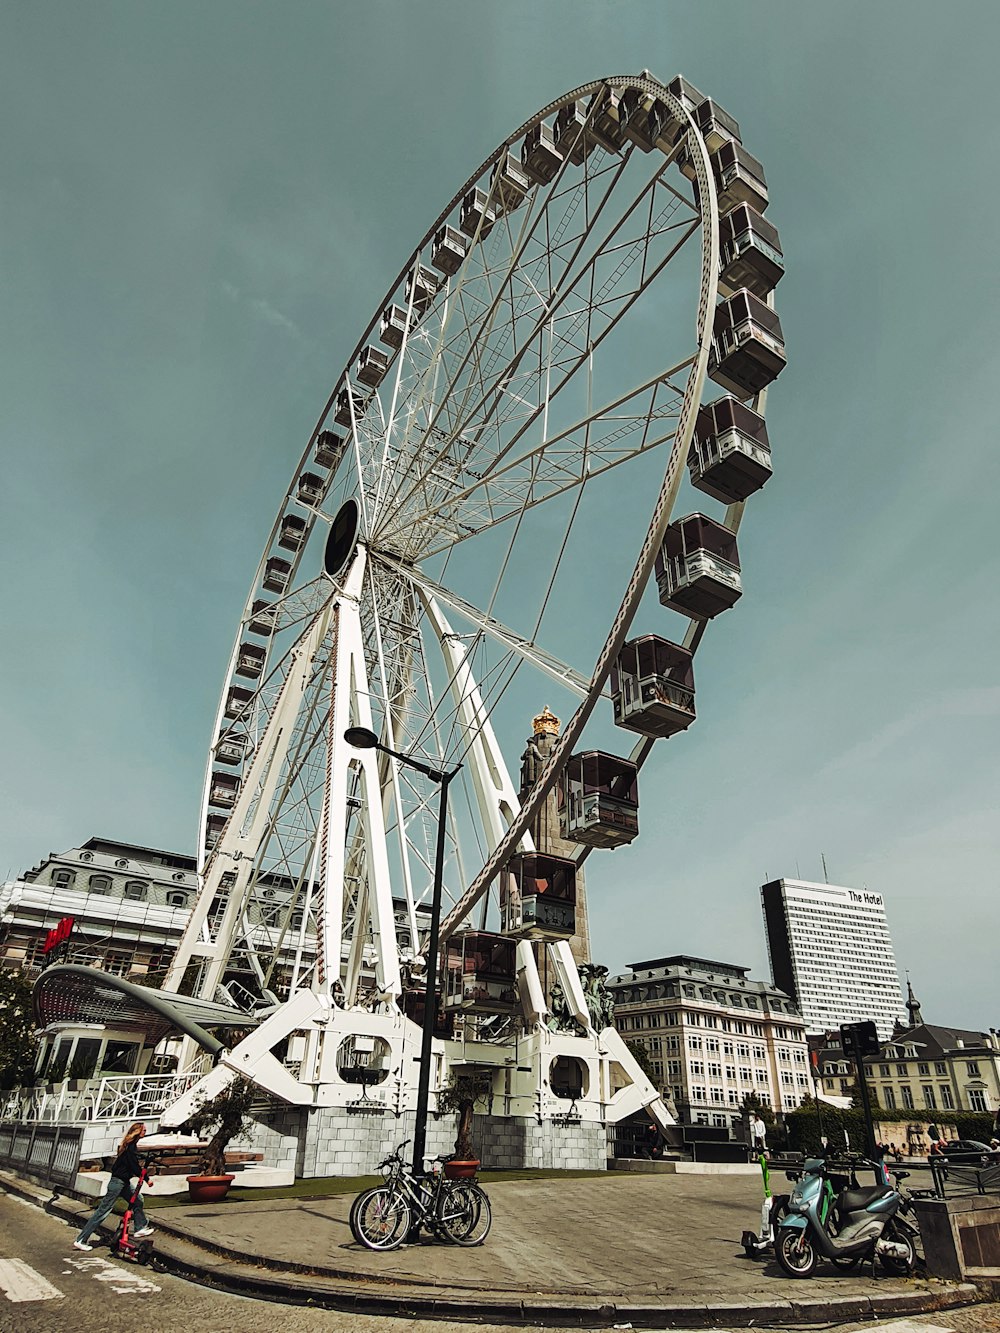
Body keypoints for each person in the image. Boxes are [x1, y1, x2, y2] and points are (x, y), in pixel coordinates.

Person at [74, 1122, 154, 1251]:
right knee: (103, 1211)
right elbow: (134, 1165)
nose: (145, 1132)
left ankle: (140, 1227)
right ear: (137, 1131)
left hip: (124, 1182)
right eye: (143, 1130)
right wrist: (146, 1179)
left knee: (138, 1199)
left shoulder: (130, 1147)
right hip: (117, 1183)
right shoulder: (130, 1147)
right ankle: (81, 1239)